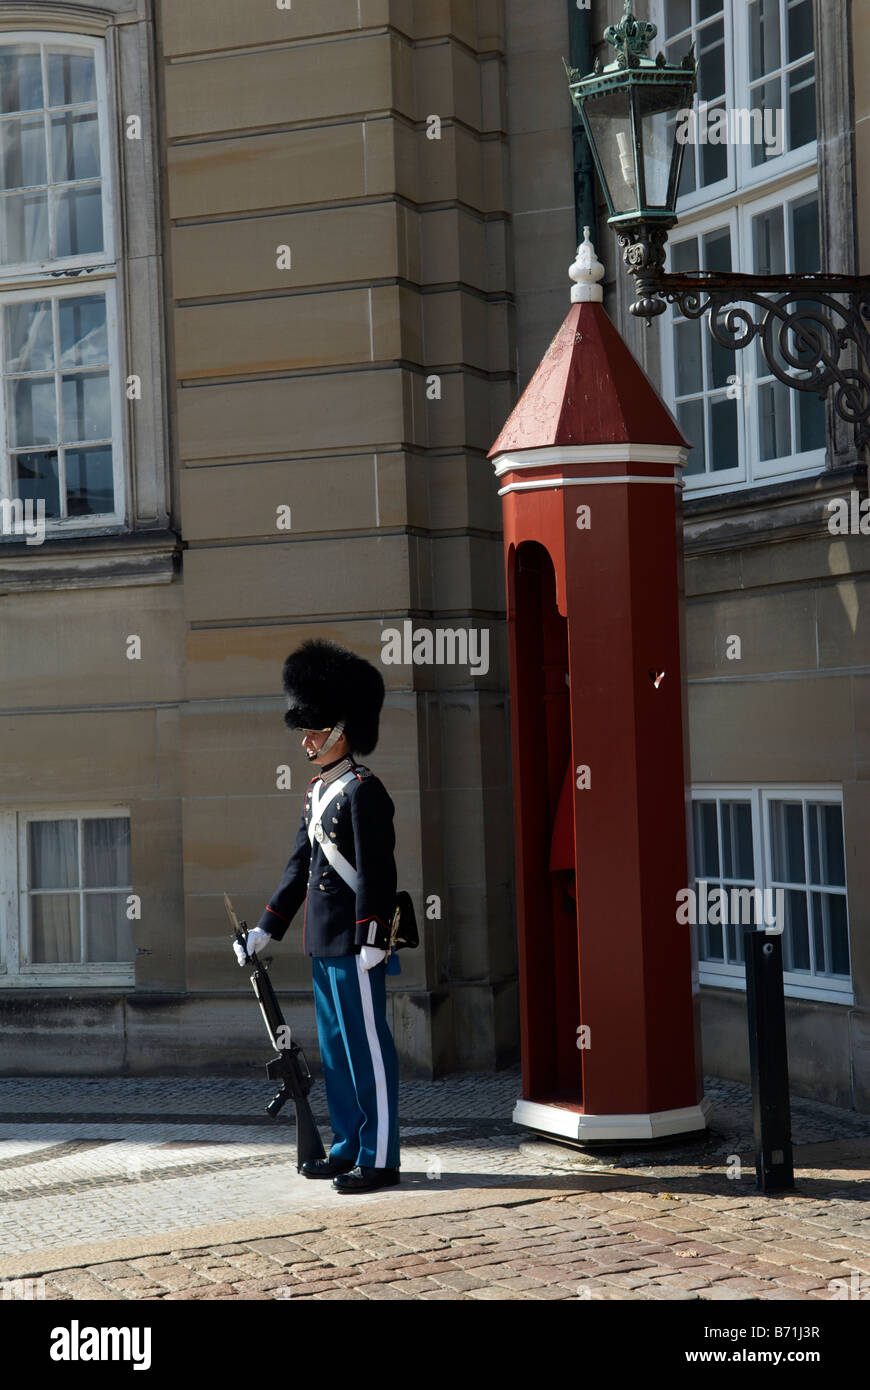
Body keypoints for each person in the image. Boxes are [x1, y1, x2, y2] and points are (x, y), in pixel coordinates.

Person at [233, 639, 401, 1193]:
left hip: (357, 944)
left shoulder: (363, 791)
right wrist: (266, 929)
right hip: (323, 942)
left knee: (368, 1050)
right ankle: (350, 1144)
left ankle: (381, 1156)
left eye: (315, 729)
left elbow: (377, 870)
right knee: (336, 1051)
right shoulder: (318, 792)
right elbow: (299, 865)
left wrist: (374, 933)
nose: (305, 739)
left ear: (342, 729)